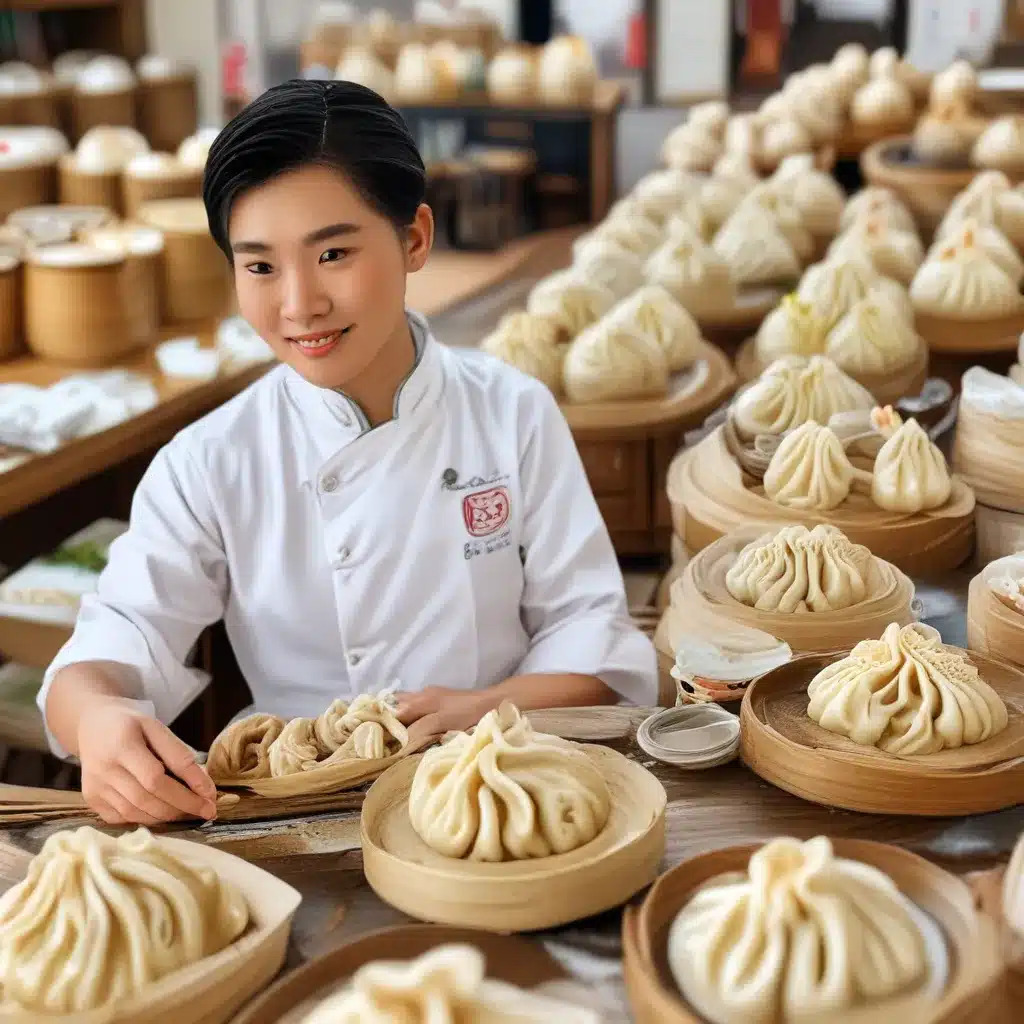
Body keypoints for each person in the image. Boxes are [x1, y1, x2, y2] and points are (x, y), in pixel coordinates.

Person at [39, 79, 658, 827]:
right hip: (293, 816)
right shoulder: (212, 458)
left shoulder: (511, 412)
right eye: (261, 266)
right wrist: (99, 721)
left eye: (333, 252)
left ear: (414, 238)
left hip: (502, 786)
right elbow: (114, 642)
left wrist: (484, 710)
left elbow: (589, 630)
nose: (299, 304)